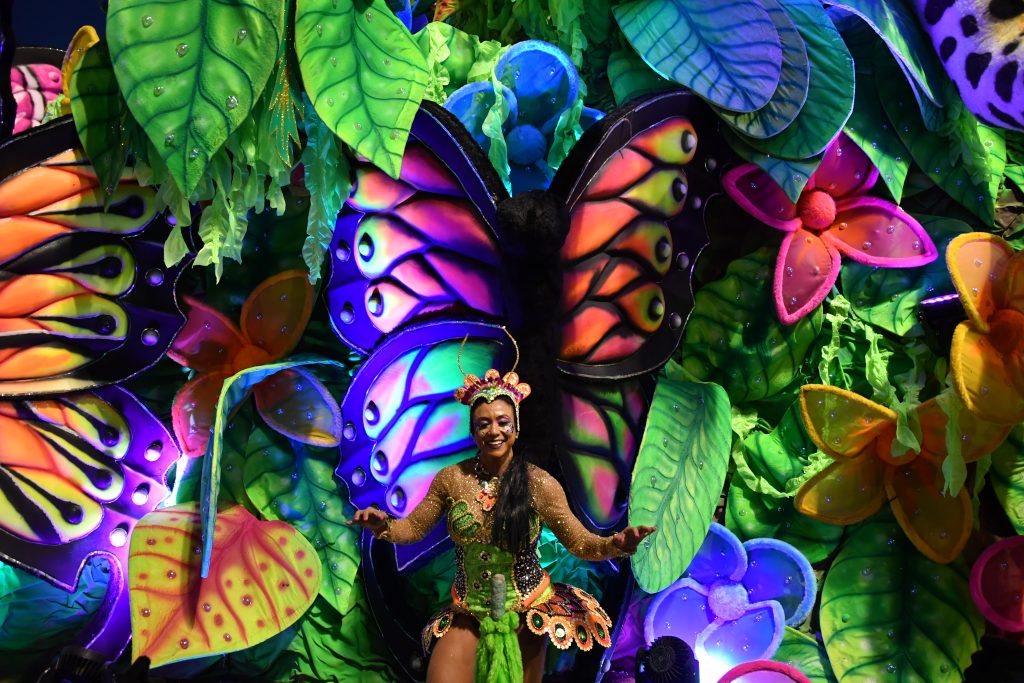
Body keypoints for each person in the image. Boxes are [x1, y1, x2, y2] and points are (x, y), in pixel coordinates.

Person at [350, 351, 656, 683]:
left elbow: (580, 543)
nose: (493, 431)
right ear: (473, 430)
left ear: (516, 428)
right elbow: (414, 527)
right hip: (469, 611)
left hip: (526, 612)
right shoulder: (451, 479)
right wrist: (383, 525)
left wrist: (616, 544)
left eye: (502, 422)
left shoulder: (539, 483)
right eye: (483, 423)